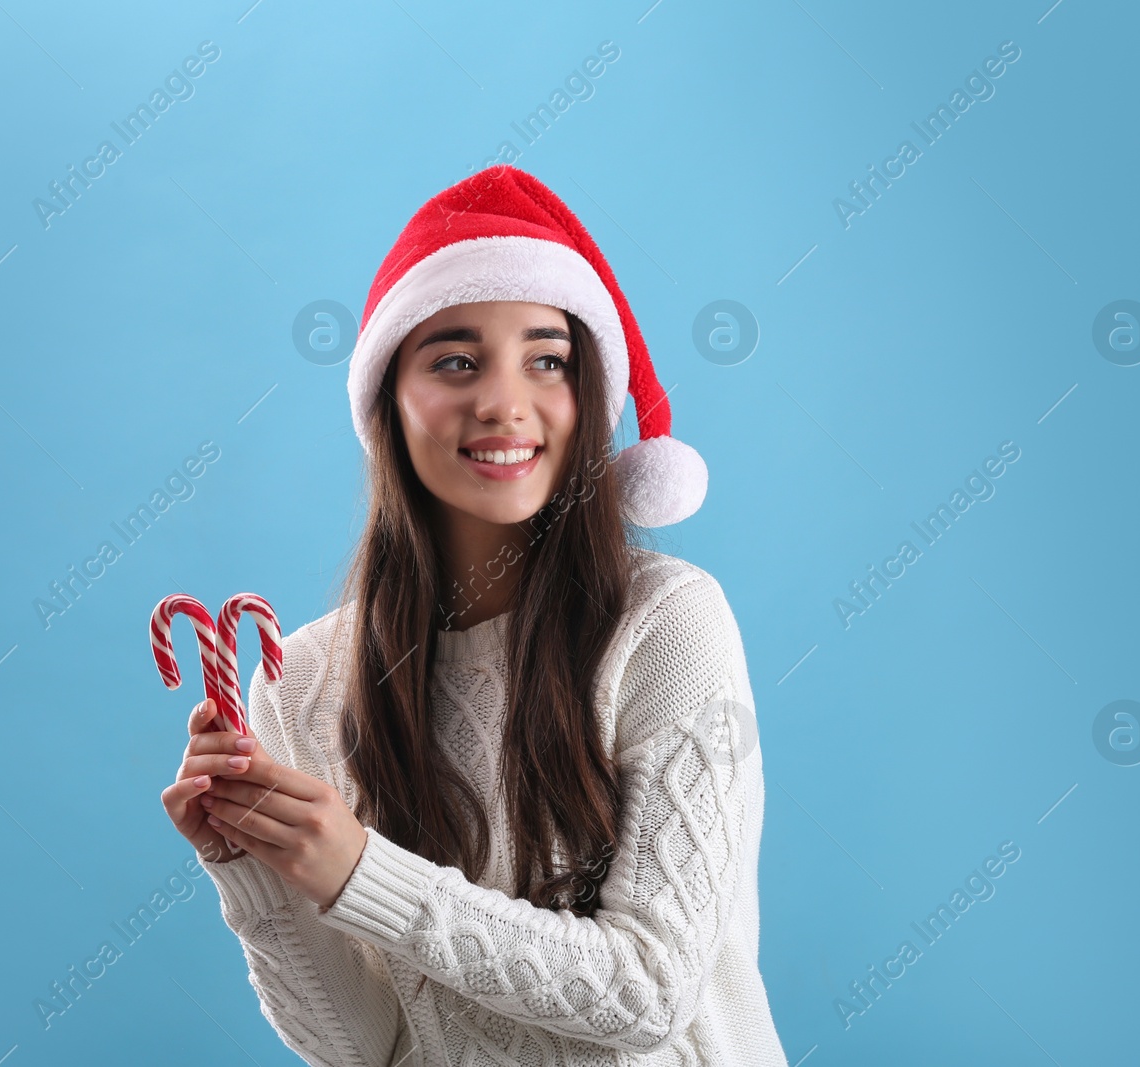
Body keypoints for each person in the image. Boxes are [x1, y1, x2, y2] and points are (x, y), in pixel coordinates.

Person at [161, 164, 789, 1065]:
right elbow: (363, 1046)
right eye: (456, 359)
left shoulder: (668, 623)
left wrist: (359, 871)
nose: (504, 401)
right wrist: (255, 869)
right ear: (389, 400)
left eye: (548, 359)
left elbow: (648, 991)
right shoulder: (296, 684)